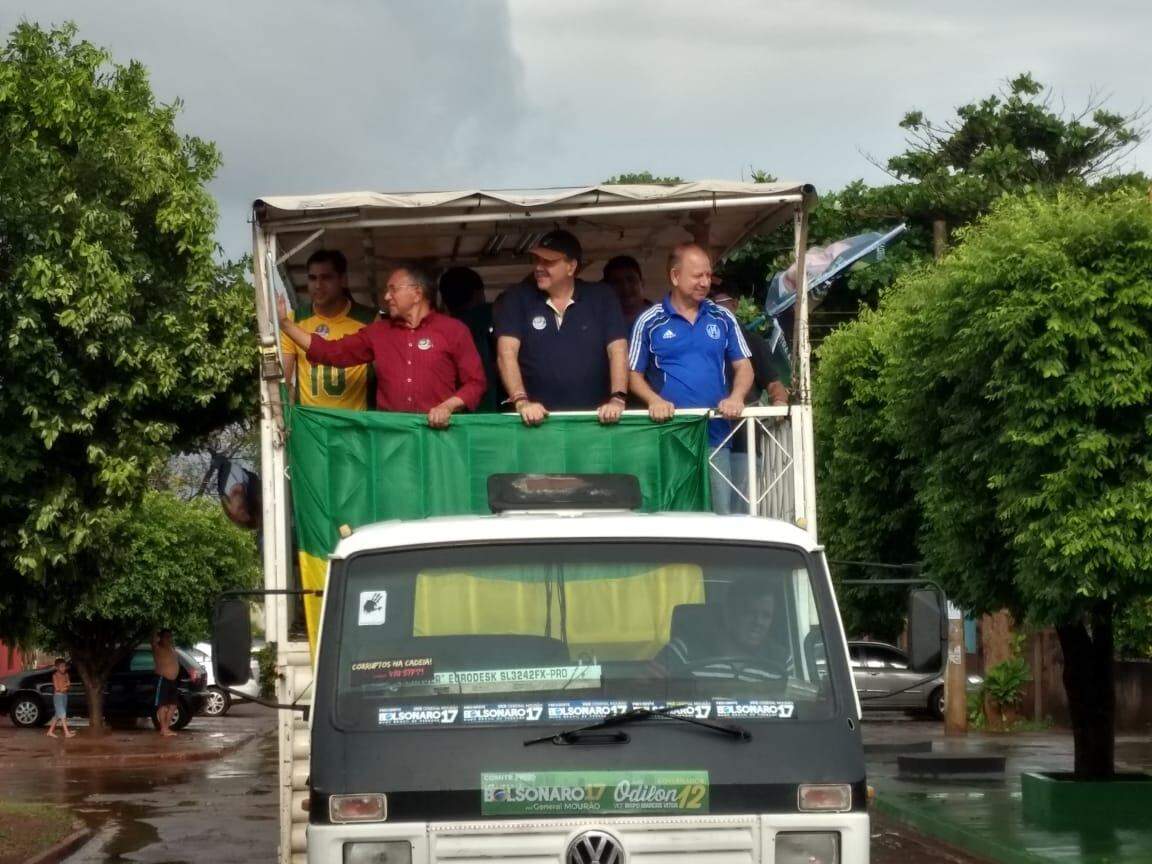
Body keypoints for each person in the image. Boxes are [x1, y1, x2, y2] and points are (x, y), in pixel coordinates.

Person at [278, 263, 486, 428]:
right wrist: (286, 325)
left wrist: (447, 407)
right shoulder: (378, 332)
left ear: (417, 293)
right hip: (390, 441)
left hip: (439, 438)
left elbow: (476, 382)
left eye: (393, 289)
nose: (387, 297)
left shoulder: (453, 330)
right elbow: (331, 352)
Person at [628, 243, 753, 513]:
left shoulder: (723, 318)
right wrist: (654, 400)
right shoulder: (649, 321)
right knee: (672, 519)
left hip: (715, 438)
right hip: (669, 440)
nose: (705, 282)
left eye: (708, 275)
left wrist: (736, 397)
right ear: (675, 276)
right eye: (698, 276)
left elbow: (744, 366)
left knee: (720, 518)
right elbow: (632, 375)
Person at [494, 230, 629, 426]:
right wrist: (522, 402)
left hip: (597, 423)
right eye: (537, 260)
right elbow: (506, 353)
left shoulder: (602, 297)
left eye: (548, 262)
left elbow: (618, 350)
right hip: (535, 424)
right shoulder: (517, 298)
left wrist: (617, 399)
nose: (539, 267)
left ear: (571, 266)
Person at [280, 250, 377, 410]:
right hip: (311, 428)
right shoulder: (293, 321)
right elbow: (283, 381)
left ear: (343, 280)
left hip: (356, 429)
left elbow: (387, 378)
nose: (318, 285)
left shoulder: (369, 320)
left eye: (326, 278)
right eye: (312, 278)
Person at [656, 582, 792, 681]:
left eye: (766, 616)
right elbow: (650, 690)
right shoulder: (683, 651)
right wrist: (644, 681)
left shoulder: (782, 660)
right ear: (728, 613)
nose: (758, 622)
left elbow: (798, 705)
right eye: (749, 612)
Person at [440, 266, 502, 411]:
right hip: (485, 410)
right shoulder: (489, 314)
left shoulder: (441, 328)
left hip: (449, 412)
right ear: (478, 293)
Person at [602, 254, 653, 326]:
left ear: (642, 283)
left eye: (631, 279)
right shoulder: (599, 325)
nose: (625, 287)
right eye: (617, 282)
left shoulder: (665, 319)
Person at [152, 629, 180, 737]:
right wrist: (155, 625)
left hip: (173, 681)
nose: (169, 639)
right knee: (162, 705)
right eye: (167, 637)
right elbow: (153, 640)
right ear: (161, 638)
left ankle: (166, 729)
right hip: (162, 679)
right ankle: (163, 729)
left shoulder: (172, 648)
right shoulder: (158, 648)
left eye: (170, 637)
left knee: (173, 705)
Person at [45, 658, 76, 738]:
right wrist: (66, 686)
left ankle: (50, 731)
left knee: (58, 715)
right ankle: (66, 733)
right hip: (58, 696)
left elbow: (67, 685)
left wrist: (65, 686)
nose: (63, 668)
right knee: (62, 714)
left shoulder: (66, 675)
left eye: (64, 666)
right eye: (61, 666)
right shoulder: (55, 676)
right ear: (56, 667)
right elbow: (58, 688)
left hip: (64, 696)